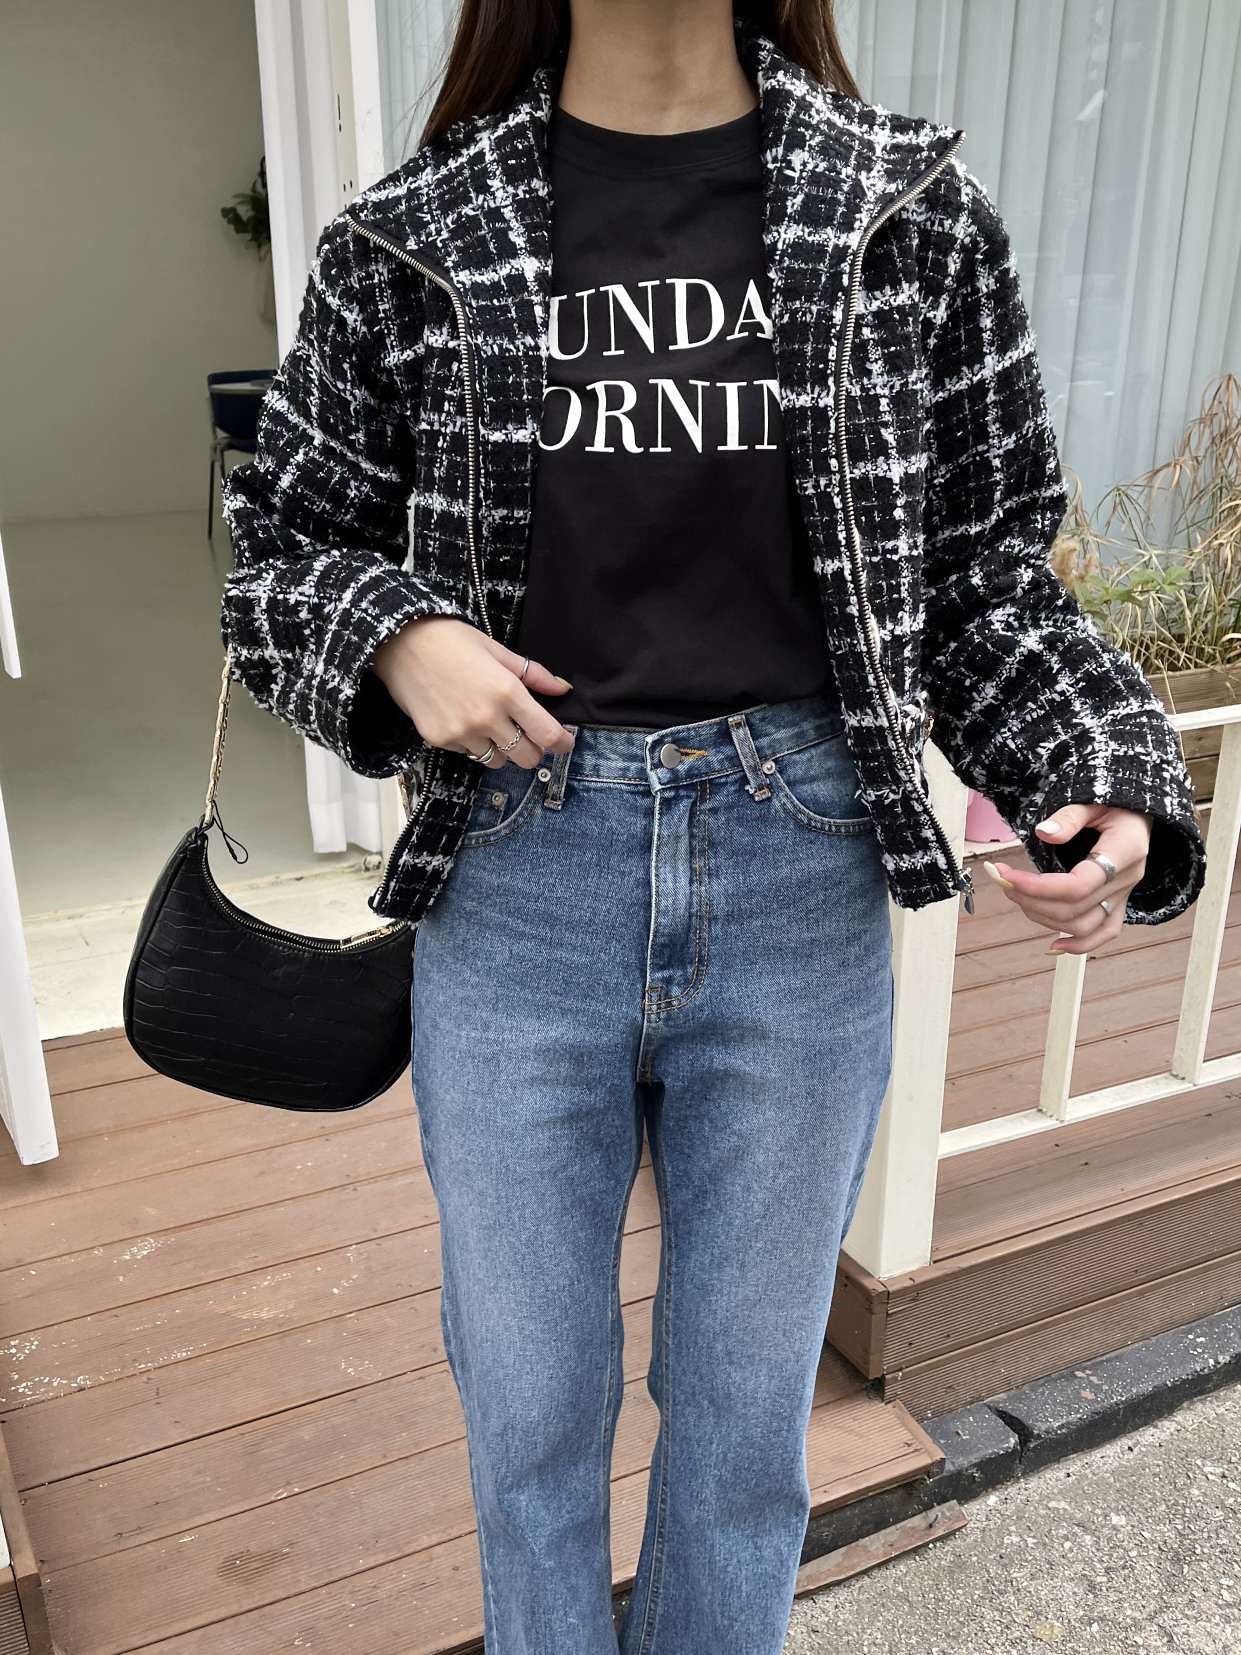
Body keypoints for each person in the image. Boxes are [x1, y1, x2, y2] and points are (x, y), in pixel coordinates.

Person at [219, 2, 1206, 1650]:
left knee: (746, 1426)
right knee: (529, 1413)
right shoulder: (412, 234)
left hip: (796, 872)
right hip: (520, 882)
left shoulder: (909, 216)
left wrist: (1097, 763)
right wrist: (395, 633)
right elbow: (281, 550)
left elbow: (980, 573)